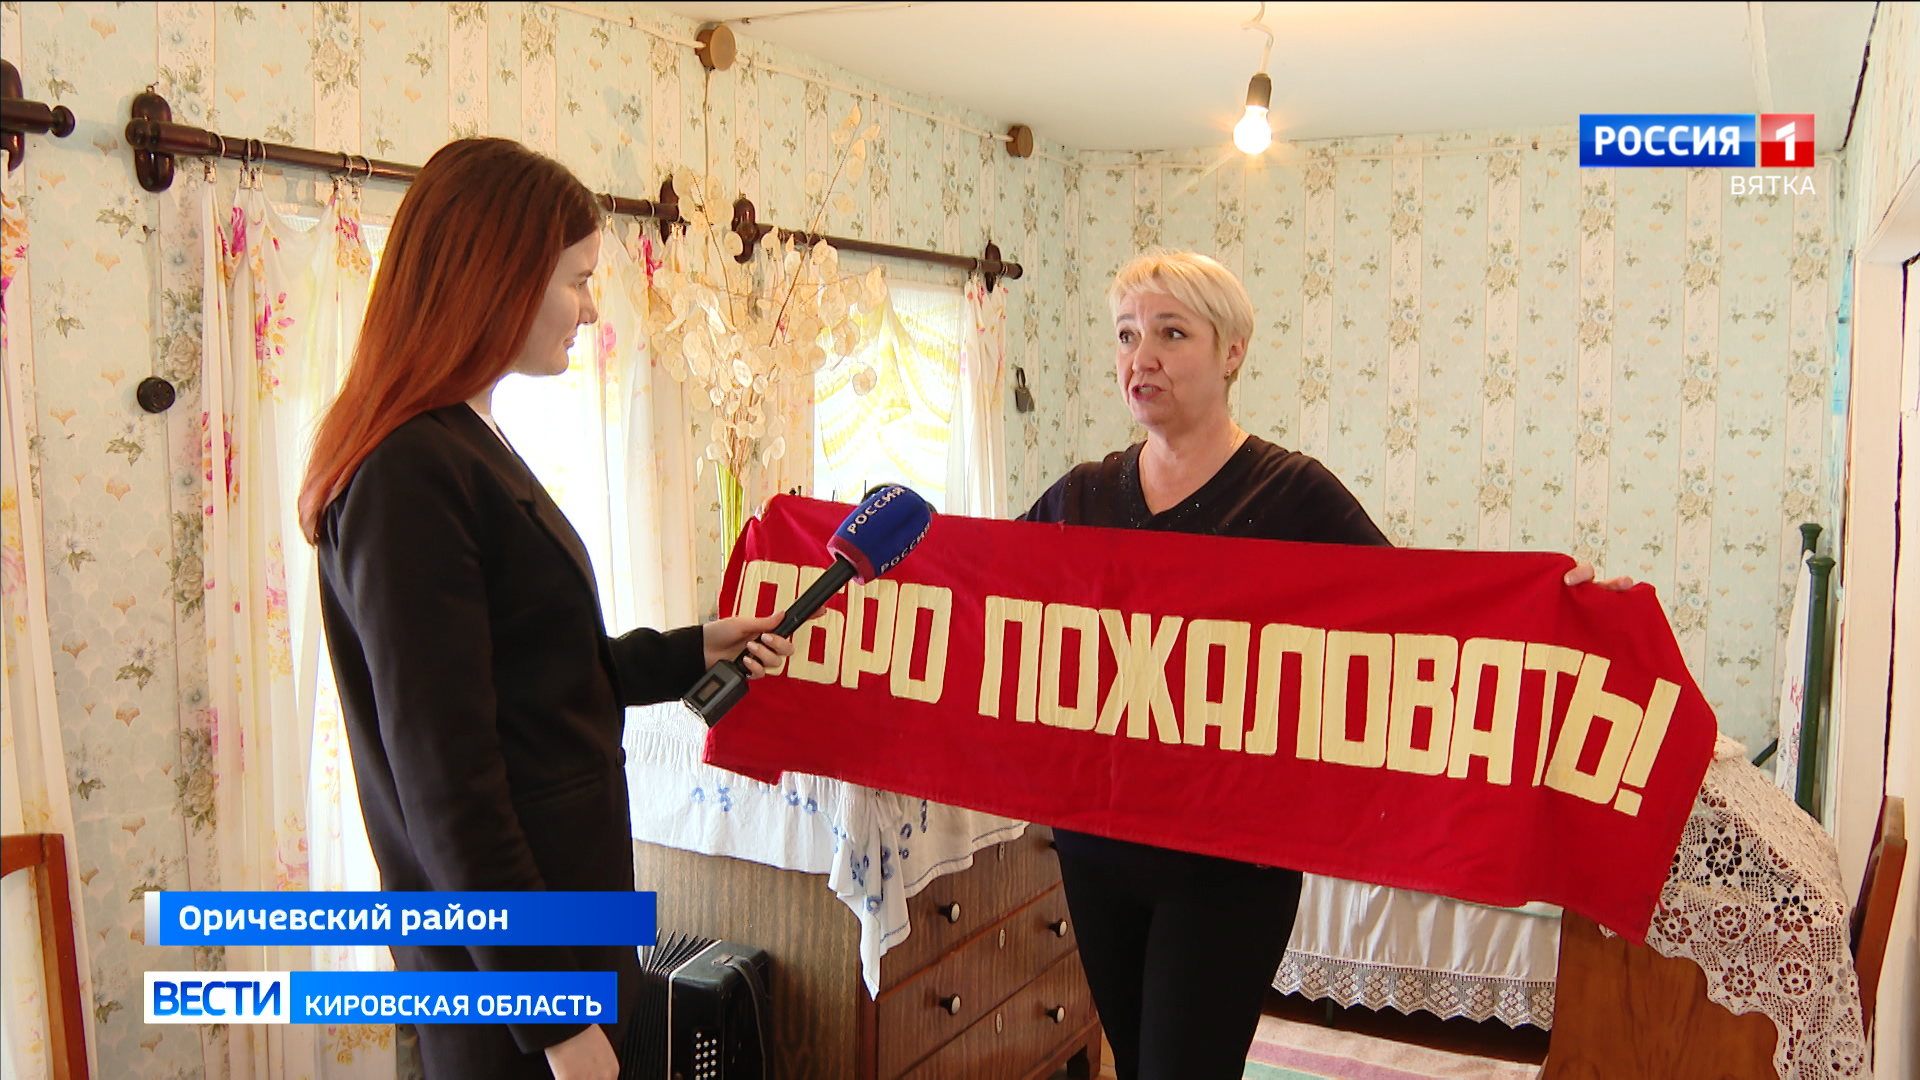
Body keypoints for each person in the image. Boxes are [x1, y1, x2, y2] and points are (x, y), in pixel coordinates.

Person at [1020, 251, 1628, 1080]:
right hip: (1097, 848)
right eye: (1127, 336)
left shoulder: (1291, 495)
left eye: (1171, 333)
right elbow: (978, 598)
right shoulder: (1080, 496)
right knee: (1136, 1064)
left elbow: (1422, 616)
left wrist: (1559, 607)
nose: (1142, 357)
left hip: (1231, 864)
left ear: (1232, 351)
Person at [297, 138, 792, 1080]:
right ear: (497, 280)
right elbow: (449, 786)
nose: (591, 308)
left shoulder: (464, 441)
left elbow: (531, 674)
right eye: (577, 279)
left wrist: (692, 647)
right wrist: (556, 1019)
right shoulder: (410, 474)